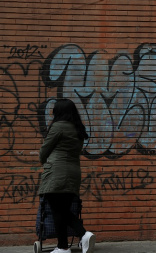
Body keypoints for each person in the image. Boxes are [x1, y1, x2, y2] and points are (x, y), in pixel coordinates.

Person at [38, 99, 96, 253]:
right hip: (73, 172)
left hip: (57, 172)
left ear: (58, 112)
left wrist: (44, 161)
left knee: (59, 210)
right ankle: (62, 247)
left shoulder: (58, 126)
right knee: (62, 210)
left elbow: (44, 151)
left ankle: (83, 234)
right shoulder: (78, 128)